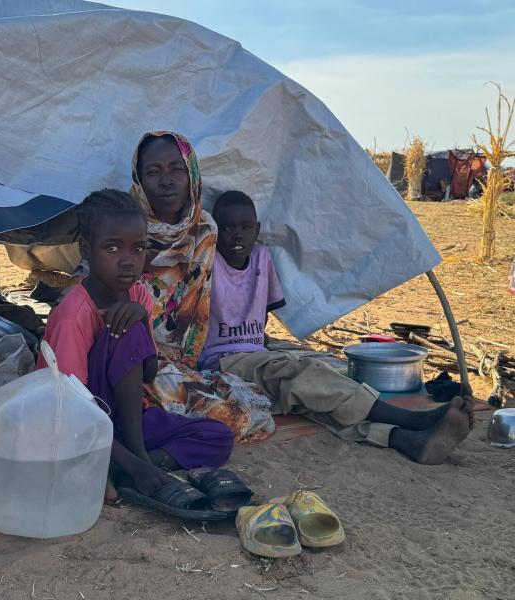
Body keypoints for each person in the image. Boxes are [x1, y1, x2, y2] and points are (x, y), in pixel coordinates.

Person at [204, 189, 474, 465]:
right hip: (223, 359)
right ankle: (412, 420)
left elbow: (262, 316)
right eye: (226, 228)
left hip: (257, 348)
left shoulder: (262, 258)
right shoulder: (207, 263)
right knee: (300, 374)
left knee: (313, 385)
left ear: (257, 229)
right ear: (214, 230)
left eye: (245, 227)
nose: (237, 235)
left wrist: (263, 347)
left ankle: (399, 438)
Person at [41, 189, 237, 513]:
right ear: (86, 250)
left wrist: (142, 317)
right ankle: (133, 462)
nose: (128, 259)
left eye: (139, 247)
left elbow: (147, 373)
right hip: (78, 425)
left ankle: (124, 464)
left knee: (217, 436)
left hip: (127, 420)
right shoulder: (72, 316)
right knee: (126, 331)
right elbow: (70, 411)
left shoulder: (139, 294)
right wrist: (137, 464)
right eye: (112, 247)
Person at [129, 132, 275, 442]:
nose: (166, 180)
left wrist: (186, 370)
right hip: (126, 356)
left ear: (192, 175)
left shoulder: (205, 229)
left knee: (247, 405)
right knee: (221, 417)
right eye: (153, 171)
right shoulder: (124, 223)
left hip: (174, 362)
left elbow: (197, 309)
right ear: (139, 177)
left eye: (176, 170)